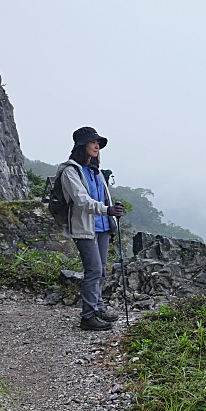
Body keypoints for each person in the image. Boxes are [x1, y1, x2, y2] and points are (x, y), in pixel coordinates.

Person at [59, 126, 125, 331]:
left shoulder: (96, 171)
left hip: (103, 226)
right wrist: (107, 210)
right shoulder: (71, 171)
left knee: (101, 271)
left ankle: (98, 309)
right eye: (93, 142)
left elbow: (104, 198)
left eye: (98, 143)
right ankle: (88, 316)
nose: (97, 146)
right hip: (85, 228)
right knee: (94, 270)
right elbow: (81, 201)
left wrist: (111, 218)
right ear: (82, 145)